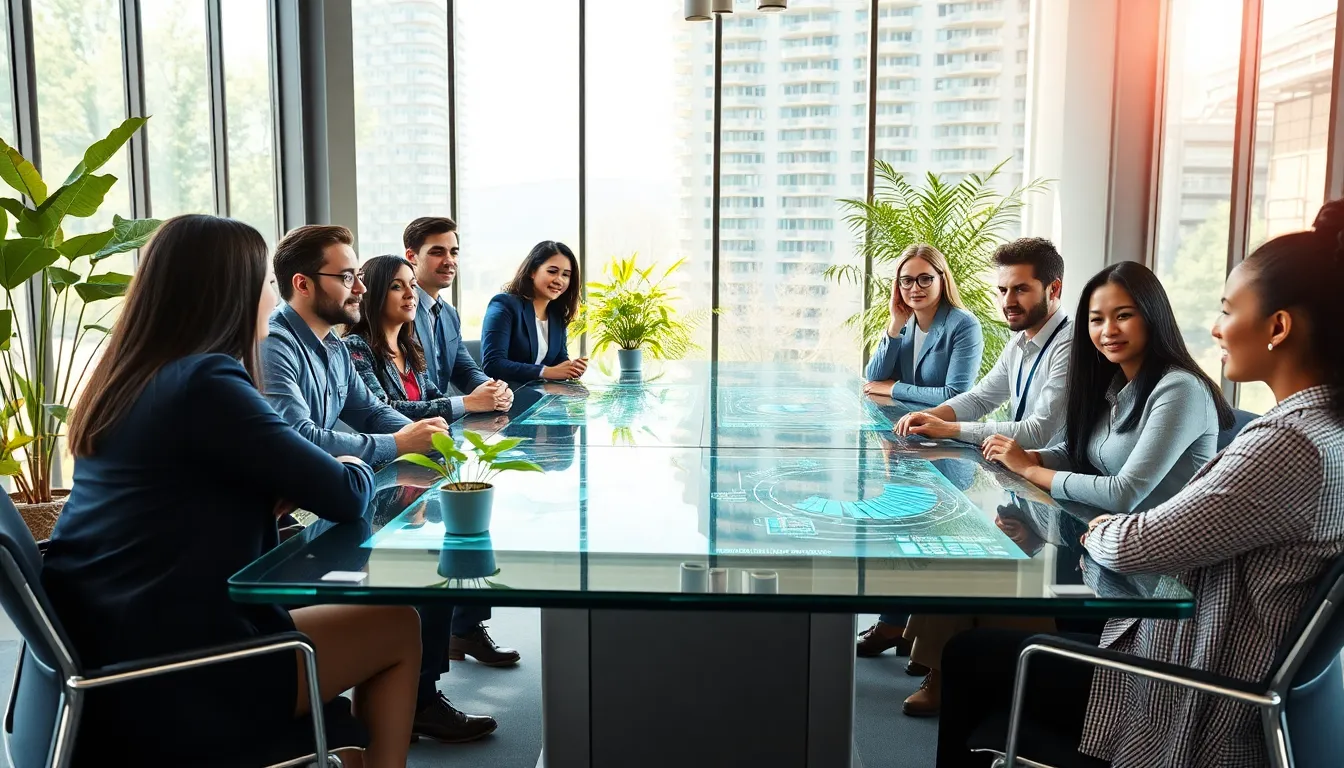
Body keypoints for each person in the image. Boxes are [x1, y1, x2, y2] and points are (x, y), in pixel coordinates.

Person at [929, 201, 1344, 767]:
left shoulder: (1287, 444)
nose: (1217, 328)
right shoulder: (1324, 431)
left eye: (1227, 310)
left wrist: (1103, 526)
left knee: (973, 656)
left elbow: (1132, 540)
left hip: (1190, 691)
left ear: (1278, 326)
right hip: (1212, 661)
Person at [38, 215, 419, 767]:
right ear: (231, 293)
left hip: (113, 647)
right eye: (265, 282)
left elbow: (177, 488)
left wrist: (261, 485)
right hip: (184, 670)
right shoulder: (207, 381)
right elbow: (343, 494)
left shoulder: (129, 375)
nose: (272, 295)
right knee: (397, 624)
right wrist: (348, 463)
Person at [900, 261, 1235, 719]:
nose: (1107, 330)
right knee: (974, 556)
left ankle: (946, 674)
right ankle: (936, 667)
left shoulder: (1179, 389)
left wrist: (1031, 470)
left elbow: (1123, 492)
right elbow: (1078, 450)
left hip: (1145, 580)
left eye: (1124, 315)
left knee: (982, 587)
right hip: (1098, 549)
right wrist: (1037, 458)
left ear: (1153, 315)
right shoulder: (1118, 382)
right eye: (1097, 319)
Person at [261, 224, 498, 742]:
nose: (361, 287)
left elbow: (368, 411)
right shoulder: (276, 345)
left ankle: (418, 698)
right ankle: (413, 699)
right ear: (303, 284)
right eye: (347, 276)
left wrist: (430, 438)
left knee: (431, 556)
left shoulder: (331, 346)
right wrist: (400, 444)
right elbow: (299, 438)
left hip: (327, 499)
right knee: (418, 571)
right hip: (298, 519)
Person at [859, 238, 1071, 669]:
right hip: (1020, 476)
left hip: (1055, 486)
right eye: (1004, 290)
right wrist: (924, 420)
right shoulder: (1022, 342)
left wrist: (945, 424)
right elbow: (979, 397)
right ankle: (922, 645)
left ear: (1054, 290)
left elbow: (1037, 429)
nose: (1009, 300)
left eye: (1021, 289)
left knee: (949, 540)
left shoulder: (1067, 344)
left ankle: (932, 659)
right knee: (924, 528)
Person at [341, 253, 522, 667]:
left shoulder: (409, 343)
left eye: (410, 286)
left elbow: (424, 406)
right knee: (429, 574)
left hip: (420, 473)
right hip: (383, 480)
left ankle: (451, 652)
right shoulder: (355, 348)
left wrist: (487, 396)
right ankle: (425, 687)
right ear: (373, 295)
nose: (410, 294)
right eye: (397, 286)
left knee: (466, 534)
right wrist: (464, 404)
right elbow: (391, 410)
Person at [400, 216, 522, 667]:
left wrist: (494, 388)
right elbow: (405, 391)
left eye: (453, 252)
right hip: (414, 441)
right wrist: (467, 402)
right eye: (437, 251)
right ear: (411, 256)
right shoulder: (400, 307)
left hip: (447, 436)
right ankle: (443, 642)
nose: (449, 261)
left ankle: (466, 628)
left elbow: (463, 367)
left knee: (473, 527)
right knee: (445, 538)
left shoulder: (446, 312)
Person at [863, 244, 984, 408]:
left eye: (925, 279)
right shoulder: (904, 324)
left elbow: (955, 395)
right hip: (906, 424)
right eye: (906, 280)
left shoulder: (964, 324)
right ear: (897, 286)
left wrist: (894, 389)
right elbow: (875, 379)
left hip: (944, 428)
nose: (915, 288)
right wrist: (894, 327)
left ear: (942, 280)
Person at [480, 240, 588, 384]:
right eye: (552, 271)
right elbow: (493, 364)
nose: (559, 280)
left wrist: (571, 368)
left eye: (566, 275)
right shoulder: (504, 304)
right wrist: (545, 371)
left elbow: (559, 359)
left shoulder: (557, 315)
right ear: (532, 271)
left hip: (543, 396)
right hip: (509, 398)